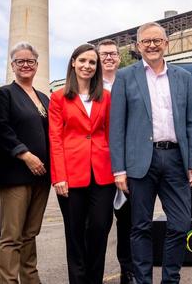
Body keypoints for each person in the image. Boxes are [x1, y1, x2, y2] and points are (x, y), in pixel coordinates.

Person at [110, 22, 192, 284]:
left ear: (166, 44)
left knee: (180, 224)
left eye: (157, 40)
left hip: (175, 159)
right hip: (140, 162)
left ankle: (170, 280)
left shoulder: (184, 77)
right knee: (140, 226)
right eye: (146, 41)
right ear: (138, 46)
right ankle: (143, 281)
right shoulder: (126, 77)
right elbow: (117, 127)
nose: (152, 45)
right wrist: (119, 169)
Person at [49, 43, 115, 284]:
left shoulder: (106, 97)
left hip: (103, 173)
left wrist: (118, 170)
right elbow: (55, 139)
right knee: (75, 234)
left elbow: (110, 134)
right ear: (73, 63)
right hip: (71, 175)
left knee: (100, 228)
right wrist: (59, 176)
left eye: (92, 62)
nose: (87, 66)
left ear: (97, 67)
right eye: (83, 61)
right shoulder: (58, 98)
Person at [0, 42, 51, 284]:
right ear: (13, 65)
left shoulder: (44, 98)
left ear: (37, 65)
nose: (25, 65)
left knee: (30, 234)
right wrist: (25, 154)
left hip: (42, 176)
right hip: (14, 173)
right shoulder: (4, 94)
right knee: (12, 236)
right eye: (20, 61)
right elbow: (1, 129)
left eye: (30, 61)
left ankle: (30, 280)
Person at [98, 38, 135, 284]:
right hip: (100, 161)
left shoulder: (129, 82)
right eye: (104, 54)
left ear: (119, 58)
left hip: (128, 162)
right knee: (99, 224)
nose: (109, 57)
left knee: (128, 222)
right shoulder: (89, 86)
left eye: (113, 53)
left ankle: (128, 272)